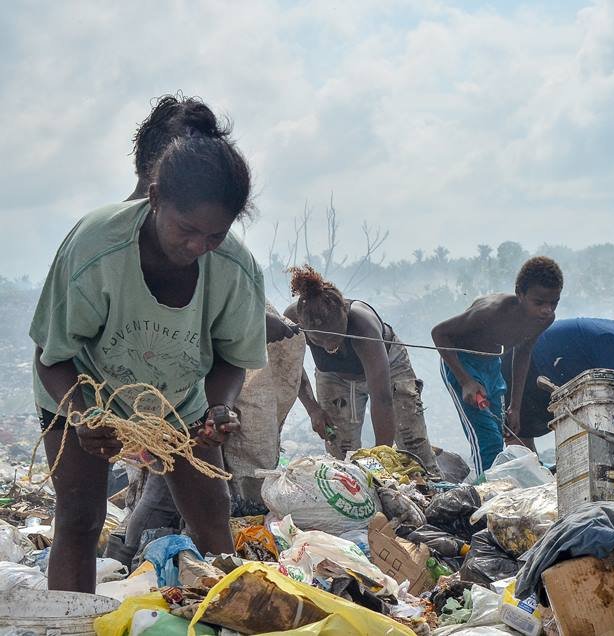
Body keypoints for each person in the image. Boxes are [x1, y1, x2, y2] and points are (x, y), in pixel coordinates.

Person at [31, 131, 266, 592]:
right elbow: (49, 355)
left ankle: (233, 613)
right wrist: (84, 415)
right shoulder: (97, 248)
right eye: (187, 229)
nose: (198, 246)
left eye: (215, 235)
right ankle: (70, 623)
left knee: (213, 521)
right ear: (155, 197)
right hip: (82, 388)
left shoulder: (237, 270)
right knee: (79, 520)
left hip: (179, 399)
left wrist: (221, 408)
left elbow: (231, 360)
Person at [102, 96, 303, 565]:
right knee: (170, 480)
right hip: (145, 388)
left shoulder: (216, 247)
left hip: (190, 392)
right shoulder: (118, 234)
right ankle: (143, 557)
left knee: (189, 484)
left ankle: (167, 562)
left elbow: (232, 336)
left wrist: (217, 403)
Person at [284, 265, 441, 476]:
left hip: (390, 367)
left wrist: (380, 459)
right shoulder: (293, 319)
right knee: (340, 452)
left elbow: (382, 399)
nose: (329, 347)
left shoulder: (363, 326)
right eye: (319, 341)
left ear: (345, 315)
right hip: (333, 377)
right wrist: (313, 409)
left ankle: (430, 486)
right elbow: (290, 367)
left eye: (334, 337)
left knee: (411, 440)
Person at [432, 257, 564, 477]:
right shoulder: (492, 311)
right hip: (463, 363)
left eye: (553, 303)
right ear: (520, 295)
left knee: (502, 431)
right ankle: (488, 495)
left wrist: (515, 406)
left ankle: (498, 487)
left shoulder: (544, 320)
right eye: (539, 303)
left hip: (493, 366)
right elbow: (439, 333)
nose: (547, 310)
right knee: (488, 440)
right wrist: (465, 381)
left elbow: (523, 354)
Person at [502, 310, 614, 451]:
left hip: (518, 359)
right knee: (518, 429)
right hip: (529, 366)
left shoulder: (613, 332)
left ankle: (528, 475)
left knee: (521, 432)